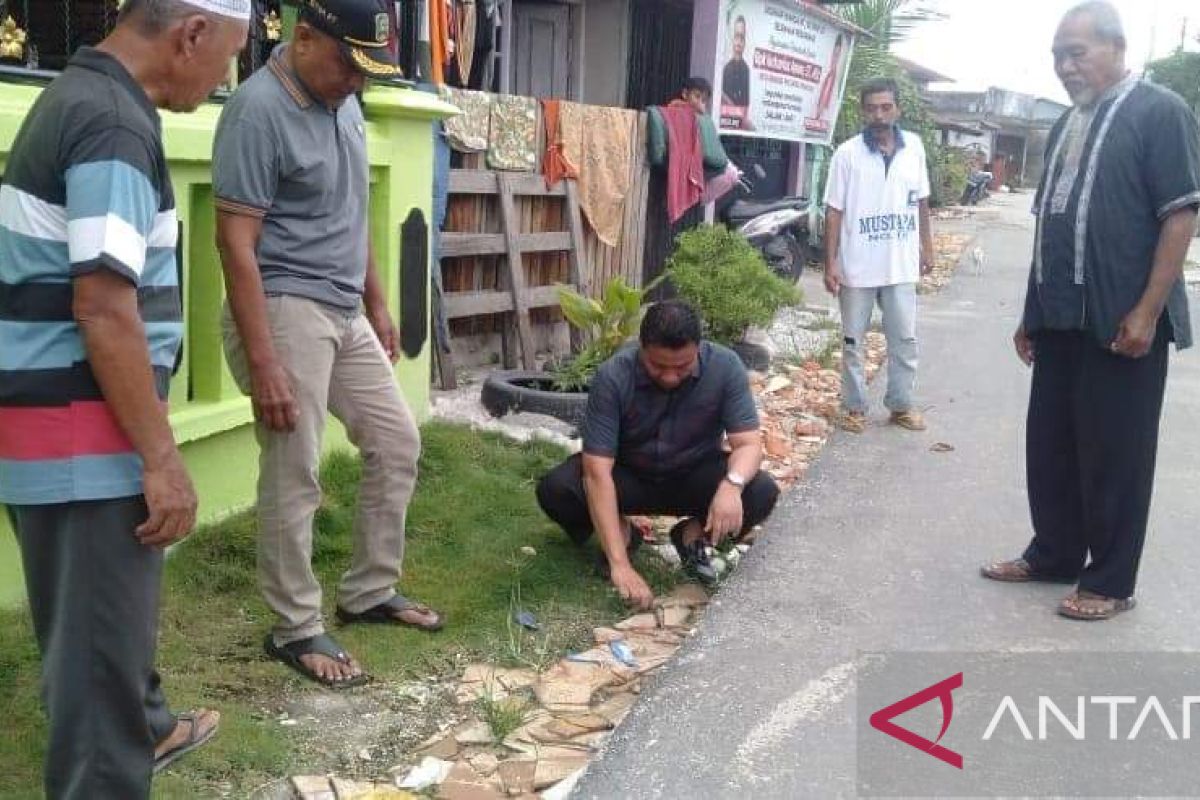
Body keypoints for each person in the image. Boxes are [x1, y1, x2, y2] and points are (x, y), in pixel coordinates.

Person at [0, 1, 247, 796]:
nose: (223, 82)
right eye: (231, 59)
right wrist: (163, 459)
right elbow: (103, 308)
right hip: (84, 446)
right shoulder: (112, 123)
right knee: (97, 712)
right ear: (193, 33)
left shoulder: (83, 97)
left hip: (66, 438)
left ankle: (149, 729)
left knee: (98, 658)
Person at [213, 0, 443, 690]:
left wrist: (376, 300)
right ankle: (294, 627)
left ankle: (369, 591)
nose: (358, 81)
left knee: (397, 441)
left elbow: (350, 208)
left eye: (367, 69)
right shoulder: (258, 112)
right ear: (302, 37)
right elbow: (235, 243)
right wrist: (265, 363)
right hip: (285, 308)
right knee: (296, 468)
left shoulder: (342, 97)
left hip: (343, 310)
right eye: (350, 63)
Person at [981, 1, 1200, 621]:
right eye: (1057, 55)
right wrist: (1031, 312)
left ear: (1116, 48)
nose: (1065, 66)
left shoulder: (1161, 112)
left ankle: (1110, 580)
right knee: (1051, 445)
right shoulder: (1065, 125)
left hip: (1120, 319)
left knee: (1115, 453)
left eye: (1077, 52)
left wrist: (1148, 309)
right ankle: (1053, 554)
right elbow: (1050, 221)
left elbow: (1181, 215)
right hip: (1061, 318)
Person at [535, 301, 781, 609]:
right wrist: (619, 565)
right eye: (658, 366)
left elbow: (748, 444)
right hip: (630, 476)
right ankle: (622, 535)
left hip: (694, 474)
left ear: (698, 348)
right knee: (556, 489)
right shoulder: (613, 376)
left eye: (681, 367)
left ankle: (692, 537)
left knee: (760, 491)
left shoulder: (725, 367)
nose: (669, 376)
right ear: (642, 347)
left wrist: (731, 485)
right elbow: (597, 471)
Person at [823, 77, 934, 434]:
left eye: (886, 107)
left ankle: (901, 405)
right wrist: (831, 262)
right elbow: (834, 211)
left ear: (897, 109)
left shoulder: (914, 148)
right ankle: (853, 407)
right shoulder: (847, 154)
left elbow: (922, 202)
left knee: (904, 340)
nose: (879, 114)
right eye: (872, 108)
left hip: (900, 265)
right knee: (853, 341)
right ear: (863, 111)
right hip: (858, 266)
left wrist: (927, 247)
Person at [721, 14, 751, 128]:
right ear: (732, 39)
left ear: (745, 42)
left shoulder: (746, 70)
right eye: (736, 37)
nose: (738, 42)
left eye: (741, 38)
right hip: (725, 123)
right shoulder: (726, 69)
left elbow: (746, 104)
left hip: (740, 126)